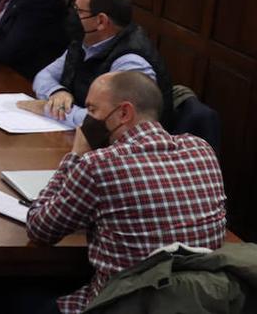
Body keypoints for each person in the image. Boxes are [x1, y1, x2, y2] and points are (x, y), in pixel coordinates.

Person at [26, 71, 226, 314]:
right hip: (197, 303)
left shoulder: (98, 165)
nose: (86, 121)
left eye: (92, 110)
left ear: (124, 113)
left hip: (119, 304)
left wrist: (76, 155)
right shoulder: (201, 148)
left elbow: (39, 229)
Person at [18, 0, 173, 127]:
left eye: (78, 10)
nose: (72, 14)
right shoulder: (85, 42)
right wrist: (58, 92)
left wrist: (49, 109)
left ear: (101, 21)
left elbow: (110, 121)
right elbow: (44, 76)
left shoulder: (131, 62)